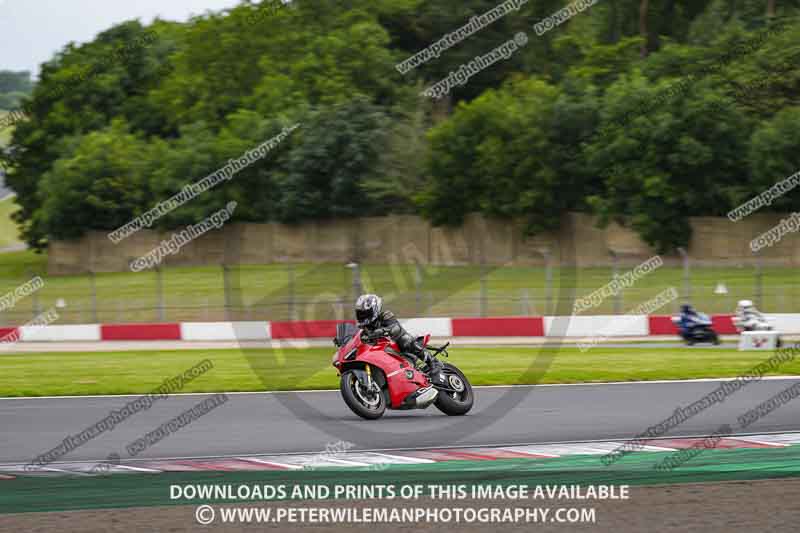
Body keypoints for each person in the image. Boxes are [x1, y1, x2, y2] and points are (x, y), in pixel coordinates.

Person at [354, 294, 441, 372]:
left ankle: (433, 361)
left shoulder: (386, 315)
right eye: (360, 313)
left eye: (365, 313)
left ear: (374, 310)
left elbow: (395, 328)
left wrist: (380, 331)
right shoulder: (363, 329)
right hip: (381, 354)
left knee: (405, 340)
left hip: (398, 347)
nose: (362, 316)